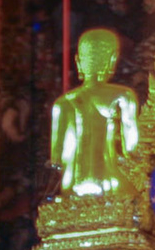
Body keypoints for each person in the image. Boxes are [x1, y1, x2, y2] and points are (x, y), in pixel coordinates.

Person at [48, 29, 141, 199]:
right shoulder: (123, 96)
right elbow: (132, 149)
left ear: (78, 61)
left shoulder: (62, 103)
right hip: (110, 185)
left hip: (70, 187)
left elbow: (56, 160)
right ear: (113, 59)